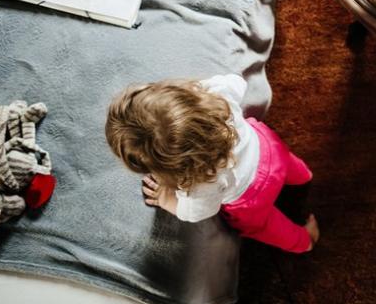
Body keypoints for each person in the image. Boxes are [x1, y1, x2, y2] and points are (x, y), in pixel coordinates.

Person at [105, 74, 319, 253]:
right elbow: (237, 81)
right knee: (290, 165)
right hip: (269, 149)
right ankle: (304, 175)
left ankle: (305, 241)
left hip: (252, 198)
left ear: (168, 170)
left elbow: (194, 212)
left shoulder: (200, 185)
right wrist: (198, 92)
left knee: (265, 226)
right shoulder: (217, 93)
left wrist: (165, 198)